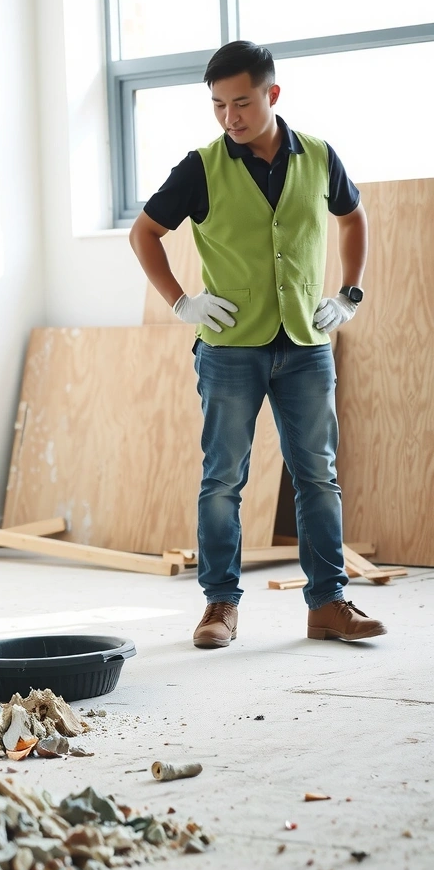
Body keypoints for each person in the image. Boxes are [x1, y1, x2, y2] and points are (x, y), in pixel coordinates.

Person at [129, 40, 386, 649]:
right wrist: (179, 300)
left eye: (240, 103)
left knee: (318, 476)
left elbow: (353, 218)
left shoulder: (320, 157)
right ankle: (220, 606)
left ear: (272, 94)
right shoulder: (201, 166)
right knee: (223, 480)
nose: (229, 118)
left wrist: (349, 293)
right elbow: (145, 233)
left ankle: (328, 605)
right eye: (217, 106)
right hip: (229, 350)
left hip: (305, 342)